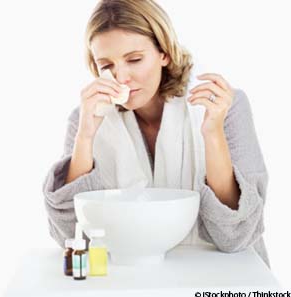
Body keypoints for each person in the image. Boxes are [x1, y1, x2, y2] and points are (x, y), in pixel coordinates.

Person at [42, 0, 270, 267]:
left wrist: (212, 134)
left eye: (134, 59)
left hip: (226, 279)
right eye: (106, 66)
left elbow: (236, 235)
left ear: (165, 53)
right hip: (137, 285)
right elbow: (71, 236)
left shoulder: (224, 107)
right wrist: (85, 138)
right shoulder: (84, 119)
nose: (121, 77)